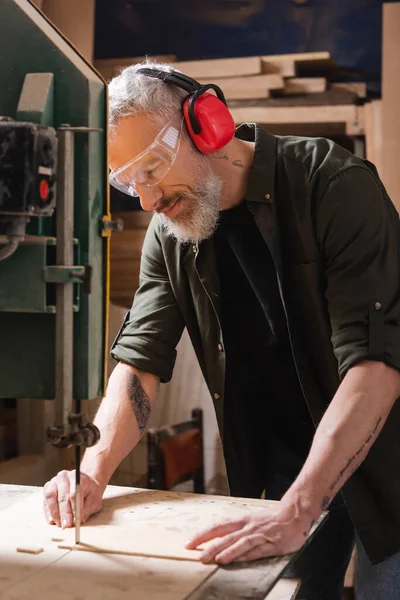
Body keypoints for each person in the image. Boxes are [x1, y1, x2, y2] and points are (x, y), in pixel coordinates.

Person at [43, 60, 400, 600]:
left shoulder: (333, 186)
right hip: (286, 461)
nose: (148, 200)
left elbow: (374, 366)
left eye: (154, 167)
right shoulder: (170, 234)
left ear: (207, 123)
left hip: (386, 456)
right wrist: (93, 472)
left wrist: (300, 509)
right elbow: (140, 362)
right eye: (129, 182)